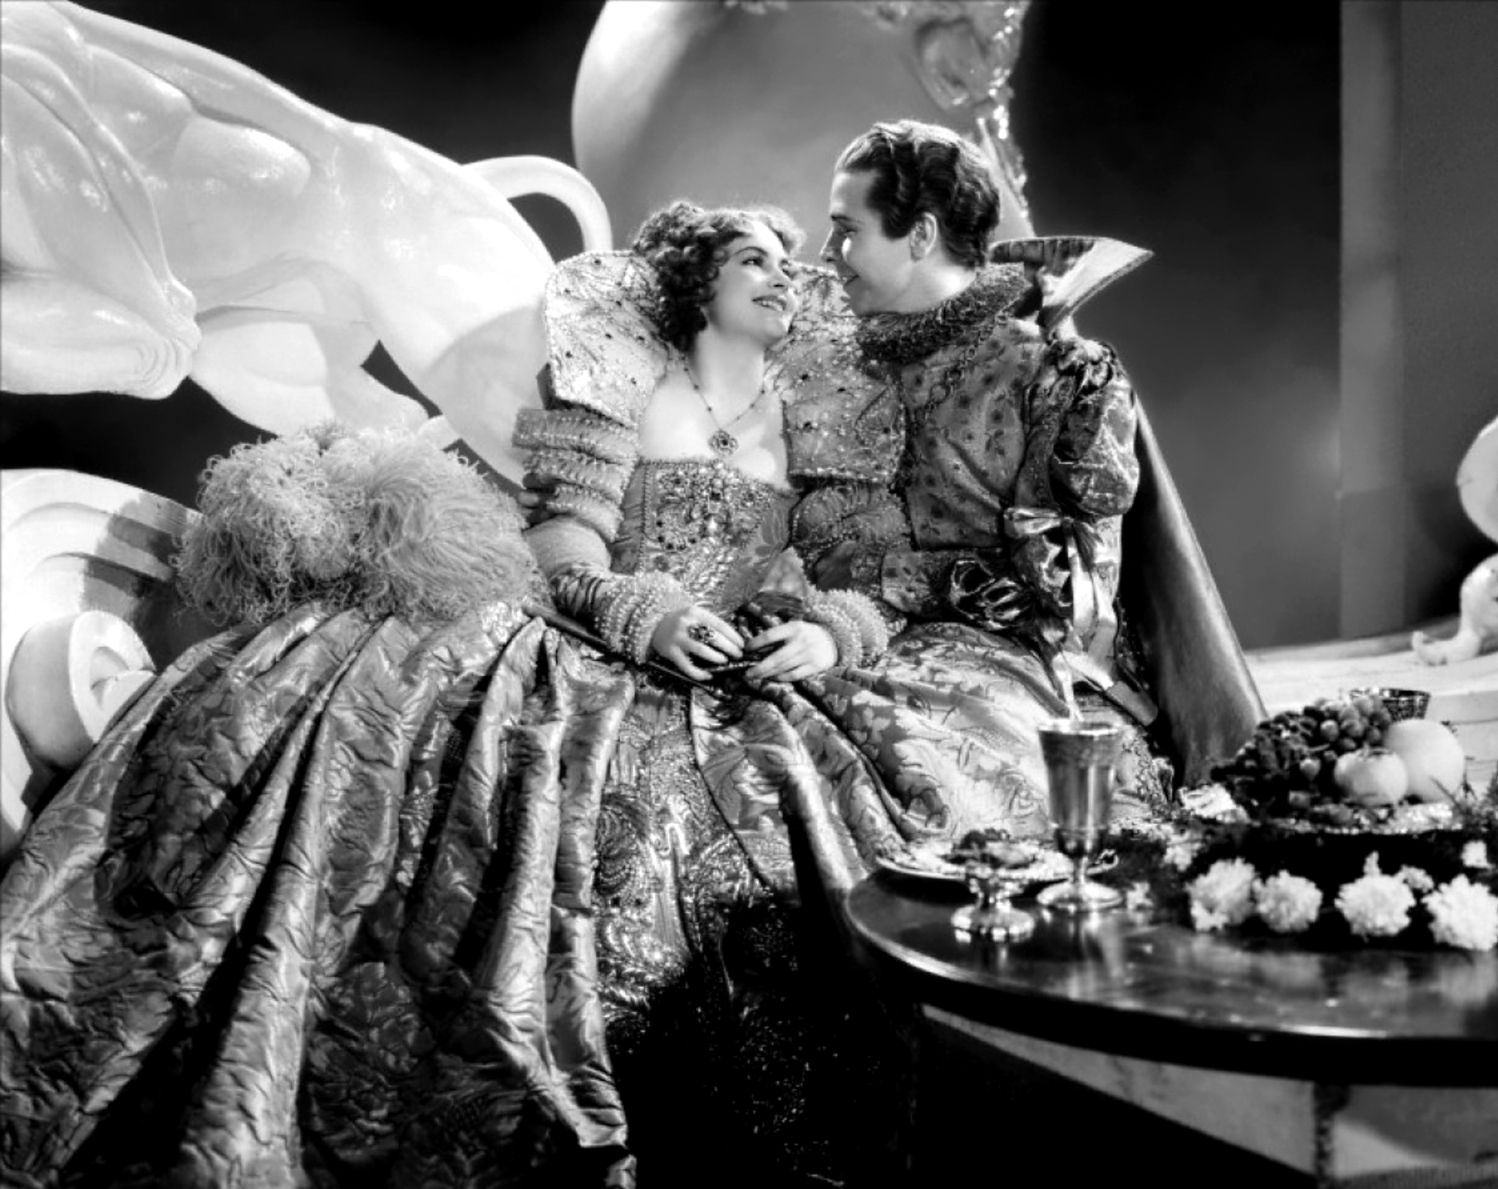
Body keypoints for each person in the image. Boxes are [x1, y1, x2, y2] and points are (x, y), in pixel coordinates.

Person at [0, 202, 920, 1189]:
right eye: (753, 258)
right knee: (383, 719)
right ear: (700, 283)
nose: (782, 277)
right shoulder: (629, 382)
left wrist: (828, 629)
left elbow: (867, 570)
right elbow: (565, 536)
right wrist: (640, 611)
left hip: (737, 670)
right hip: (599, 635)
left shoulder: (815, 417)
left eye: (788, 263)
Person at [789, 119, 1262, 804]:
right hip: (850, 636)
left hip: (1024, 667)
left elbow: (1069, 600)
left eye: (846, 229)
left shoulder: (1057, 374)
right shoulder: (831, 356)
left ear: (920, 235)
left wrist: (883, 579)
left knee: (892, 766)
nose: (828, 251)